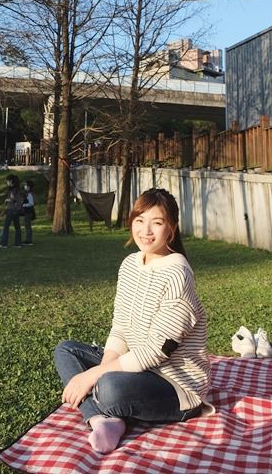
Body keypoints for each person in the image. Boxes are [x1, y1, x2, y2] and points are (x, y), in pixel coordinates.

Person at [54, 188, 212, 454]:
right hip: (135, 368)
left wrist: (95, 376)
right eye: (140, 220)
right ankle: (101, 419)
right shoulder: (130, 265)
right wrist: (104, 366)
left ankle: (104, 406)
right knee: (66, 350)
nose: (146, 230)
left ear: (171, 228)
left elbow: (157, 351)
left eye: (157, 222)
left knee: (108, 387)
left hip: (175, 383)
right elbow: (121, 326)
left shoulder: (178, 273)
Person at [0, 174, 23, 248]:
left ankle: (3, 244)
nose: (7, 182)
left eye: (7, 181)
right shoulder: (17, 190)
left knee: (6, 227)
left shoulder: (12, 191)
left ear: (11, 181)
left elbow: (14, 199)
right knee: (17, 227)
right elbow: (19, 200)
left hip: (11, 210)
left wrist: (8, 200)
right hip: (17, 211)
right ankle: (18, 243)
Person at [21, 179, 36, 245]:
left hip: (29, 212)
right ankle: (28, 239)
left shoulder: (29, 194)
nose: (25, 187)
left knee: (28, 226)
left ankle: (29, 241)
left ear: (29, 187)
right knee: (27, 226)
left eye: (26, 185)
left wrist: (24, 205)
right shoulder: (27, 194)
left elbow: (31, 203)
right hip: (26, 212)